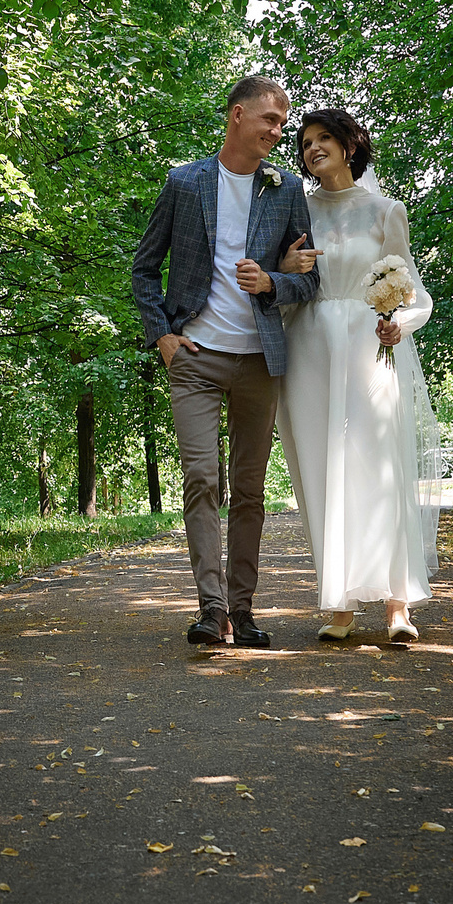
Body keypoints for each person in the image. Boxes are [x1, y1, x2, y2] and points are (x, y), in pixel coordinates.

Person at [130, 75, 320, 648]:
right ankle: (212, 611)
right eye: (270, 120)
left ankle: (244, 608)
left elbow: (311, 281)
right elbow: (144, 267)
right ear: (237, 116)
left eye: (283, 123)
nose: (278, 132)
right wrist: (161, 334)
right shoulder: (184, 183)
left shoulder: (285, 191)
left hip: (261, 360)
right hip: (196, 356)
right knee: (200, 479)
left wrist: (273, 282)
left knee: (251, 490)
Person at [275, 107, 438, 642]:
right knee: (321, 471)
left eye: (323, 138)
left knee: (378, 465)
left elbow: (415, 293)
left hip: (369, 347)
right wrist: (284, 271)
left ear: (350, 147)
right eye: (304, 142)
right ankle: (340, 604)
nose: (311, 148)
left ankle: (397, 606)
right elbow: (281, 279)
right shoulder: (294, 212)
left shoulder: (387, 211)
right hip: (309, 347)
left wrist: (400, 325)